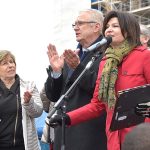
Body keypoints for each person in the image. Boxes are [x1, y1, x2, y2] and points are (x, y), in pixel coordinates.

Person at [50, 10, 150, 150]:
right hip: (113, 140)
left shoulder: (144, 56)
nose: (109, 29)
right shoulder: (105, 62)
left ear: (128, 30)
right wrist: (67, 118)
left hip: (141, 138)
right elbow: (98, 105)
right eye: (107, 26)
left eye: (115, 26)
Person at [45, 9, 107, 150]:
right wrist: (56, 73)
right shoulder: (71, 56)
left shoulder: (107, 55)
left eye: (80, 23)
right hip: (64, 134)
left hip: (89, 135)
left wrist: (78, 68)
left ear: (96, 27)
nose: (76, 28)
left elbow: (100, 92)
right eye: (74, 24)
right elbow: (53, 96)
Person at [0, 50, 43, 150]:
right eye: (5, 63)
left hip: (24, 146)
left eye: (11, 62)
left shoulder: (29, 86)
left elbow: (38, 112)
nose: (10, 65)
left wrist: (29, 103)